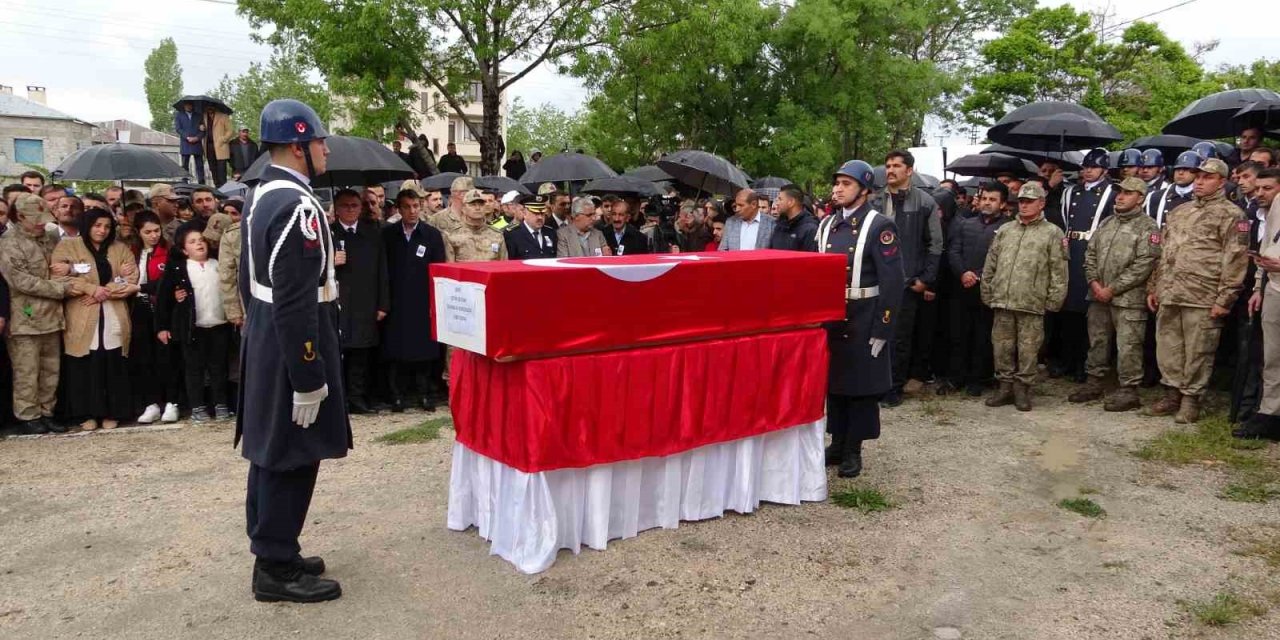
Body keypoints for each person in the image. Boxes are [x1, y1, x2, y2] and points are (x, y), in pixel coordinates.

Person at [238, 99, 349, 603]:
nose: (326, 149)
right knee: (292, 452)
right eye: (320, 141)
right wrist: (309, 374)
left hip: (267, 334)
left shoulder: (261, 194)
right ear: (299, 146)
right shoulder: (298, 205)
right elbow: (295, 299)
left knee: (270, 447)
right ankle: (276, 567)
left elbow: (250, 282)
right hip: (293, 339)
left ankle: (274, 545)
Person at [1145, 158, 1249, 423]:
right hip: (1171, 291)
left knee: (1198, 350)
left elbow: (1236, 259)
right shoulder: (1180, 211)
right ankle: (1171, 393)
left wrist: (1225, 298)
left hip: (1203, 293)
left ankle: (1191, 398)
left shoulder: (1232, 215)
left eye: (1207, 177)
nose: (1200, 182)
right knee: (1168, 347)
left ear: (1222, 181)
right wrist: (1154, 285)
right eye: (1198, 176)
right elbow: (1164, 252)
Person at [817, 160, 904, 478]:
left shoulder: (879, 226)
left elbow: (893, 281)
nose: (838, 189)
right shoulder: (827, 224)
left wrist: (883, 326)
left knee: (861, 387)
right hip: (833, 318)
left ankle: (854, 448)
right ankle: (837, 443)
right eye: (837, 182)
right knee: (836, 384)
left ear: (865, 190)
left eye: (846, 184)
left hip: (865, 316)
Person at [1067, 178, 1161, 411]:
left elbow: (1144, 264)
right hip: (1098, 295)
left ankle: (1129, 390)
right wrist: (1095, 283)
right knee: (1097, 340)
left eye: (1128, 193)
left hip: (1128, 300)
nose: (1120, 196)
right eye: (1119, 192)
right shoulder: (1107, 222)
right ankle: (1094, 382)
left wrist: (1113, 288)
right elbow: (1090, 255)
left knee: (1129, 345)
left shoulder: (1148, 227)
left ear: (1140, 198)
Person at [981, 183, 1069, 411]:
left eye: (1030, 201)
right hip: (1003, 300)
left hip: (1032, 302)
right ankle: (1005, 387)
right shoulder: (1006, 230)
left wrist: (1054, 300)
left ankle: (1023, 389)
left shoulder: (1053, 233)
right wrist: (987, 289)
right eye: (1022, 200)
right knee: (1001, 347)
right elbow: (991, 262)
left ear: (1041, 203)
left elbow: (1059, 270)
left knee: (1028, 350)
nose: (1025, 204)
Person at [52, 208, 139, 431]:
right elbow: (58, 278)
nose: (102, 230)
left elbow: (131, 278)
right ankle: (86, 413)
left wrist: (105, 292)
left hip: (113, 313)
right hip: (81, 314)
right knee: (84, 364)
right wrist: (90, 289)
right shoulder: (68, 246)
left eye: (107, 226)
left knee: (113, 362)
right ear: (87, 225)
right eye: (97, 225)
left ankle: (113, 411)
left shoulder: (119, 248)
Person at [871, 150, 943, 405]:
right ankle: (873, 385)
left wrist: (925, 279)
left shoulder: (925, 202)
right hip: (877, 281)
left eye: (896, 166)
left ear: (909, 170)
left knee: (900, 337)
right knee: (875, 333)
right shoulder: (875, 201)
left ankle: (893, 388)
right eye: (887, 165)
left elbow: (935, 244)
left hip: (906, 283)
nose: (890, 170)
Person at [1, 194, 75, 434]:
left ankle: (47, 412)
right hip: (25, 318)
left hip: (53, 317)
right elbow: (20, 281)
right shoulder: (9, 243)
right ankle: (28, 415)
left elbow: (64, 263)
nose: (41, 223)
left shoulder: (51, 237)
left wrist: (69, 271)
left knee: (50, 369)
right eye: (36, 219)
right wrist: (60, 288)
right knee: (27, 370)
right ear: (20, 217)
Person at [1049, 148, 1116, 383]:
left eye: (1094, 167)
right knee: (1067, 310)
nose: (1088, 171)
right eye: (1085, 167)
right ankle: (1066, 360)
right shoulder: (1071, 192)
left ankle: (1083, 364)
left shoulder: (1111, 193)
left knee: (1087, 313)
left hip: (1093, 249)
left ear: (1104, 170)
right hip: (1071, 249)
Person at [155, 226, 232, 422]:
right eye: (192, 241)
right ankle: (198, 406)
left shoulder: (218, 264)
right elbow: (164, 298)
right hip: (191, 327)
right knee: (194, 369)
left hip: (219, 324)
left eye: (201, 240)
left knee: (219, 367)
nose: (199, 243)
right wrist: (163, 326)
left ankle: (221, 403)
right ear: (183, 249)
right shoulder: (179, 268)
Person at [382, 188, 449, 412]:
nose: (412, 211)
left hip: (422, 301)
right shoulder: (388, 234)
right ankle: (397, 395)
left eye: (416, 207)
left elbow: (439, 270)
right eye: (407, 207)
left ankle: (425, 394)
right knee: (395, 351)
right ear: (399, 209)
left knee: (424, 351)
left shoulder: (431, 235)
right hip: (397, 300)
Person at [942, 182, 1008, 397]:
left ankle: (977, 379)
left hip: (988, 289)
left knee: (982, 336)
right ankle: (955, 377)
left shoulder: (1008, 229)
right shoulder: (964, 224)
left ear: (1003, 203)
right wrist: (963, 273)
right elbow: (953, 251)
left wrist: (978, 275)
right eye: (985, 198)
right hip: (961, 287)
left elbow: (1002, 260)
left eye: (993, 199)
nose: (987, 203)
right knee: (957, 334)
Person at [330, 189, 389, 415]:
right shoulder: (329, 234)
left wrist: (383, 303)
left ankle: (357, 396)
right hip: (338, 300)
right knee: (338, 352)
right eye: (345, 206)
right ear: (337, 209)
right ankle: (339, 397)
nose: (351, 210)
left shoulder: (372, 234)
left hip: (365, 301)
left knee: (361, 353)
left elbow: (382, 271)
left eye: (355, 205)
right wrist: (331, 261)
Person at [1237, 168, 1280, 439]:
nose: (1260, 193)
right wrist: (1257, 287)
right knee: (1272, 356)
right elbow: (1266, 248)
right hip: (1274, 288)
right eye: (1259, 187)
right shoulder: (1271, 211)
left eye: (1268, 188)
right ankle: (1269, 415)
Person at [130, 212, 182, 424]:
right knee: (145, 358)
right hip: (139, 309)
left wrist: (140, 287)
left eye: (156, 231)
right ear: (138, 232)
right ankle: (151, 403)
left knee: (167, 357)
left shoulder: (169, 251)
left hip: (164, 308)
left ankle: (172, 401)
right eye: (147, 232)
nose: (153, 236)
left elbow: (167, 281)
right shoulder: (132, 252)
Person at [445, 189, 508, 262]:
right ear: (463, 208)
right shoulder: (452, 235)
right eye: (472, 204)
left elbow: (504, 265)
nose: (477, 208)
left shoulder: (497, 235)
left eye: (481, 204)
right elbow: (449, 268)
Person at [769, 185, 819, 251]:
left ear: (791, 202)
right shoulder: (779, 226)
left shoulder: (810, 229)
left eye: (780, 199)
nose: (776, 203)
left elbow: (811, 259)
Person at [175, 101, 206, 184]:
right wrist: (187, 137)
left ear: (192, 106)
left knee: (199, 165)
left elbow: (203, 130)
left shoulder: (199, 115)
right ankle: (184, 183)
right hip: (185, 143)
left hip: (197, 143)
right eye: (187, 105)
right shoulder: (179, 115)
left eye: (190, 105)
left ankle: (201, 183)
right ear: (184, 106)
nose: (188, 106)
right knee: (185, 165)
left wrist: (197, 138)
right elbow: (178, 129)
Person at [204, 107, 233, 186]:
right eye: (207, 107)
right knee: (213, 169)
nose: (209, 109)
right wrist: (201, 127)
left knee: (221, 170)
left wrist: (223, 139)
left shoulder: (223, 116)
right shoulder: (203, 116)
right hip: (208, 147)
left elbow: (230, 131)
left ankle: (223, 189)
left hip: (221, 147)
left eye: (211, 106)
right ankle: (217, 187)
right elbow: (201, 129)